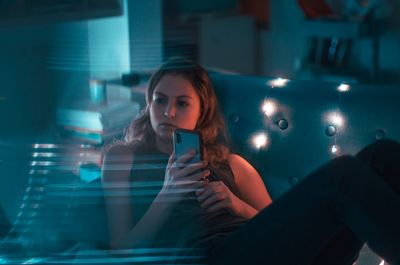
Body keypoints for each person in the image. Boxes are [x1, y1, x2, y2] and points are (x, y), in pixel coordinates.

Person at [101, 58, 400, 265]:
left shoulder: (232, 165)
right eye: (160, 100)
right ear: (149, 102)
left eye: (182, 103)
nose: (168, 113)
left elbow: (283, 224)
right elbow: (121, 252)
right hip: (206, 257)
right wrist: (168, 194)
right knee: (342, 175)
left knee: (383, 154)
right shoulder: (124, 158)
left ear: (202, 110)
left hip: (274, 254)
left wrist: (236, 205)